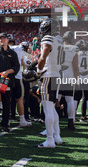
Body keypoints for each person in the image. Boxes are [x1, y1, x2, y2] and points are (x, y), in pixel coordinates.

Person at [37, 18, 63, 148]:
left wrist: (38, 70)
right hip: (57, 74)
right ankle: (57, 137)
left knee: (48, 109)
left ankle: (50, 140)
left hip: (48, 75)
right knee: (52, 107)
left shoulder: (48, 39)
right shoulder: (59, 39)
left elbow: (44, 55)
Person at [8, 37, 32, 127]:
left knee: (8, 99)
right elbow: (25, 62)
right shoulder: (19, 50)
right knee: (20, 99)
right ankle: (22, 119)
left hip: (7, 76)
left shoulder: (3, 50)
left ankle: (7, 120)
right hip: (17, 77)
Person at [58, 31, 79, 130]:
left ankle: (55, 121)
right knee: (70, 100)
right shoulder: (74, 49)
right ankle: (71, 122)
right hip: (69, 76)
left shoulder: (58, 47)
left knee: (55, 99)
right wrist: (76, 78)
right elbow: (75, 67)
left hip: (58, 75)